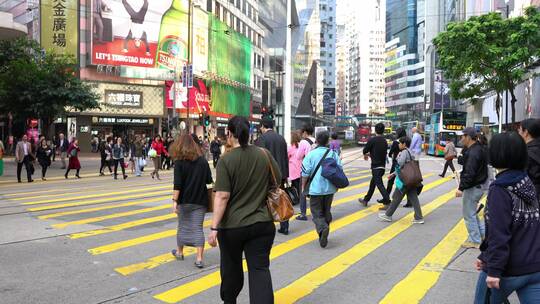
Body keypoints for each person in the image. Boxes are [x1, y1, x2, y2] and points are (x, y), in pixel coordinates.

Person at [207, 116, 280, 304]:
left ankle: (229, 301)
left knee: (231, 269)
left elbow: (222, 196)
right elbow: (277, 180)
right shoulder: (264, 154)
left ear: (229, 134)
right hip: (262, 223)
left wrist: (214, 228)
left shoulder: (226, 160)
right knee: (259, 270)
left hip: (232, 227)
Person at [474, 132, 540, 304]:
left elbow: (499, 234)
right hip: (534, 268)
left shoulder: (500, 189)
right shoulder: (526, 182)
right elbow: (525, 226)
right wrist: (484, 256)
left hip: (506, 271)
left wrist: (494, 270)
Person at [170, 134, 213, 268]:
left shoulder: (179, 162)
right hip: (200, 201)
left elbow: (177, 185)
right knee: (197, 228)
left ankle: (179, 252)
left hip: (184, 201)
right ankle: (199, 258)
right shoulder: (202, 161)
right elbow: (209, 181)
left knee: (182, 226)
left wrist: (174, 201)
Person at [302, 131, 342, 248]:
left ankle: (323, 228)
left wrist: (303, 186)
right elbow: (339, 168)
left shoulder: (311, 154)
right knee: (326, 211)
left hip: (315, 189)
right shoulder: (333, 154)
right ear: (327, 141)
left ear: (317, 141)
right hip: (330, 189)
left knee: (316, 213)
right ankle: (323, 233)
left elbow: (305, 172)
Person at [378, 136, 424, 224]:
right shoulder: (410, 152)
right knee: (413, 198)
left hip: (405, 180)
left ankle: (388, 215)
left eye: (400, 143)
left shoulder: (404, 152)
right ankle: (418, 217)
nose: (399, 144)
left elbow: (400, 164)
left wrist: (397, 158)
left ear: (404, 144)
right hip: (411, 179)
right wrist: (393, 174)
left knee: (397, 197)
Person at [255, 118, 290, 234]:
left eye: (260, 127)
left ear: (263, 126)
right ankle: (284, 224)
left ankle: (266, 225)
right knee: (281, 199)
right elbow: (285, 157)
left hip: (267, 175)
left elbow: (259, 158)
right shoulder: (281, 138)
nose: (260, 129)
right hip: (281, 174)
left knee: (265, 200)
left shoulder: (261, 139)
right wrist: (286, 175)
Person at [456, 127, 488, 249]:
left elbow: (469, 172)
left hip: (473, 186)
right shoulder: (477, 149)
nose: (461, 139)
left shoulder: (474, 152)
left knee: (469, 214)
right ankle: (484, 236)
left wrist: (461, 188)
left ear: (468, 137)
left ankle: (475, 240)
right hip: (478, 186)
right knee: (473, 214)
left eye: (462, 136)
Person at [359, 123, 391, 208]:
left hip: (376, 167)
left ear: (375, 130)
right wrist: (371, 154)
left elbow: (365, 150)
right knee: (373, 184)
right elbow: (380, 153)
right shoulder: (384, 141)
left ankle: (387, 201)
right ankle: (366, 200)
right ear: (383, 131)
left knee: (379, 184)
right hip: (382, 167)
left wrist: (366, 154)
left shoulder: (373, 140)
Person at [295, 124, 316, 221]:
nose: (301, 135)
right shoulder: (316, 140)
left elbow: (298, 156)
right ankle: (316, 212)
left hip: (306, 169)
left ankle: (303, 214)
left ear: (305, 132)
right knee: (314, 191)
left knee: (303, 190)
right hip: (316, 169)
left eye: (302, 132)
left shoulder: (303, 142)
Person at [518, 118, 540, 195]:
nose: (519, 133)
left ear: (526, 132)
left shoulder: (524, 153)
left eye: (520, 130)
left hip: (531, 196)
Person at [385, 127, 407, 200]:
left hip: (396, 164)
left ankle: (386, 197)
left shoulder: (396, 142)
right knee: (404, 181)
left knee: (391, 180)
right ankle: (409, 201)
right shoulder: (407, 142)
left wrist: (393, 155)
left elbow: (390, 153)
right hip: (406, 164)